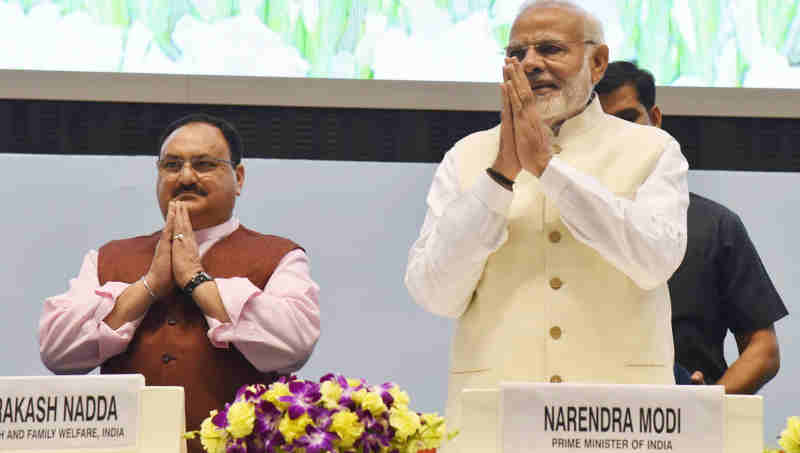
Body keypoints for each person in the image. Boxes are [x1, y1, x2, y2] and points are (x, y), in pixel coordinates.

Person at [404, 0, 689, 441]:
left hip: (618, 425)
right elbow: (434, 293)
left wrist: (548, 172)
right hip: (494, 422)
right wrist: (500, 175)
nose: (531, 63)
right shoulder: (466, 157)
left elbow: (654, 260)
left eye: (551, 49)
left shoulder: (653, 149)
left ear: (597, 63)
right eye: (517, 54)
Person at [39, 113, 321, 450]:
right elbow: (56, 350)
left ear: (239, 177)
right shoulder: (107, 257)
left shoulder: (280, 255)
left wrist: (198, 282)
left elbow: (292, 345)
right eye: (172, 166)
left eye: (203, 164)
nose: (186, 177)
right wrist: (148, 287)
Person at [597, 60, 788, 393]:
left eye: (629, 119)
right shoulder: (560, 219)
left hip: (691, 432)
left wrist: (709, 404)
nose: (620, 136)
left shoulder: (715, 225)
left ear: (655, 119)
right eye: (604, 125)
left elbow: (763, 349)